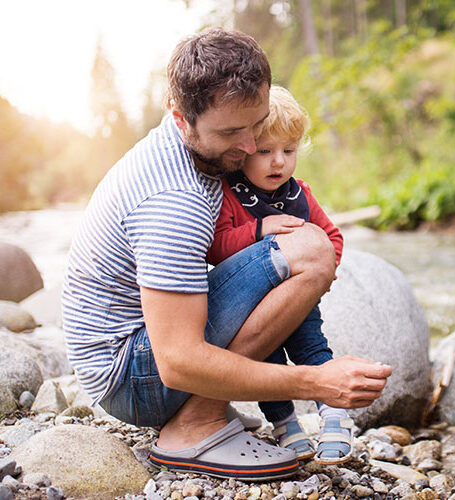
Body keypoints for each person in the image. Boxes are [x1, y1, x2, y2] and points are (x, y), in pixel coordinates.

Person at [61, 28, 392, 481]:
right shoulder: (175, 201)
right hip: (132, 377)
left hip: (137, 351)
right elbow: (177, 362)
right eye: (232, 132)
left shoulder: (198, 148)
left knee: (311, 245)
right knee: (311, 251)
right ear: (181, 119)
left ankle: (204, 413)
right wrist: (316, 382)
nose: (251, 147)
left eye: (256, 124)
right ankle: (194, 427)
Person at [207, 85, 351, 465]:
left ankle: (334, 416)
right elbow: (216, 246)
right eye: (266, 151)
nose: (278, 163)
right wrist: (259, 229)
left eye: (288, 151)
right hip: (253, 307)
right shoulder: (230, 195)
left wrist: (322, 274)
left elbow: (331, 237)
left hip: (299, 299)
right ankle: (286, 425)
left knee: (314, 350)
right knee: (266, 364)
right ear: (244, 151)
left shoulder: (299, 193)